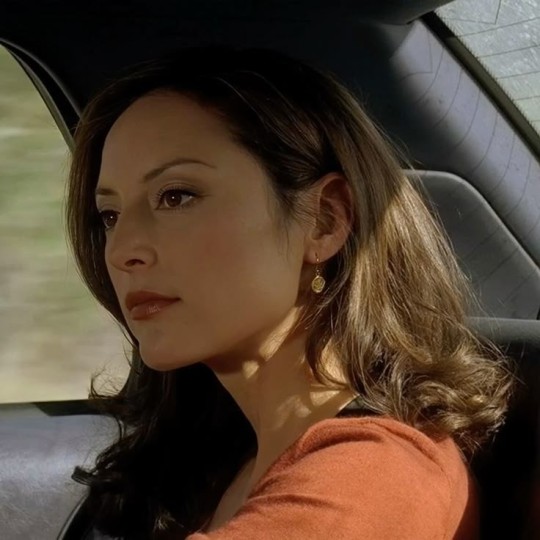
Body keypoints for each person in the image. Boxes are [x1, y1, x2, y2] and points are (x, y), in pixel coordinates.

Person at [67, 46, 513, 539]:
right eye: (110, 216)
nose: (121, 250)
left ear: (324, 221)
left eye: (177, 196)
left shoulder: (368, 482)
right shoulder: (222, 463)